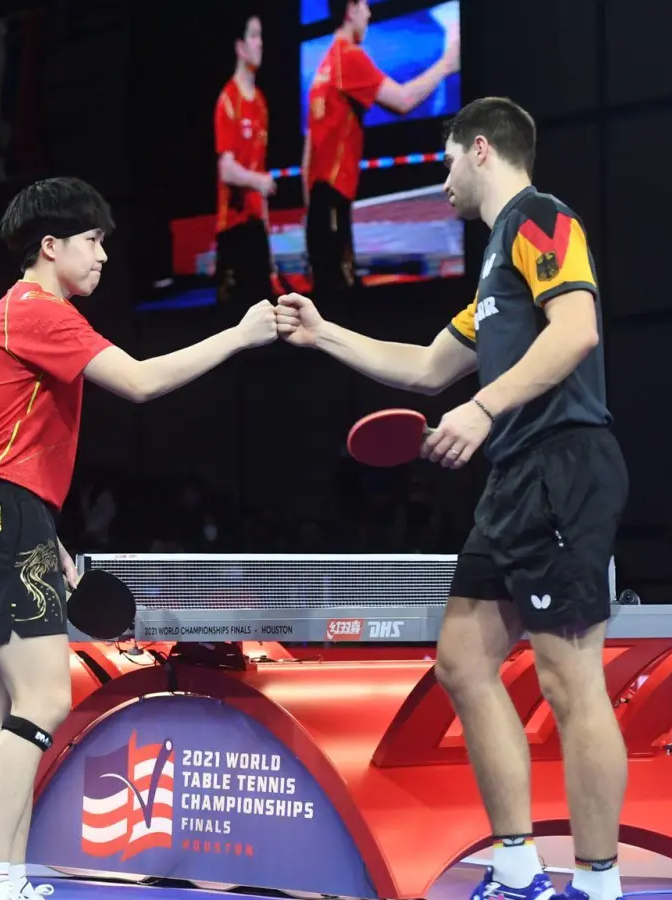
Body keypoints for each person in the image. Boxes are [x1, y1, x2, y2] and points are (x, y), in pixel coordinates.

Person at [276, 96, 628, 900]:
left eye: (442, 164)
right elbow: (429, 368)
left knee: (571, 679)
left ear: (479, 150)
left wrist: (483, 407)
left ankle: (600, 886)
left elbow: (576, 329)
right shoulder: (497, 266)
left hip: (562, 466)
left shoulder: (542, 219)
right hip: (513, 479)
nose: (439, 185)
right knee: (464, 662)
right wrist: (323, 332)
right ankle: (516, 870)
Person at [0, 176, 277, 900]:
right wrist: (241, 335)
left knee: (15, 712)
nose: (101, 256)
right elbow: (144, 382)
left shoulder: (9, 315)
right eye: (92, 241)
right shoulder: (39, 311)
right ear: (51, 246)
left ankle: (5, 875)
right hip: (1, 514)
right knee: (40, 704)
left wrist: (46, 540)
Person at [303, 0, 458, 298]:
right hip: (332, 202)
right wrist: (447, 65)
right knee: (340, 306)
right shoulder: (348, 57)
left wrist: (310, 213)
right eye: (364, 5)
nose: (369, 13)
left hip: (321, 206)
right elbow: (402, 100)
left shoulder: (325, 64)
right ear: (350, 10)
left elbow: (309, 150)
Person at [214, 13, 276, 310]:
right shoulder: (228, 100)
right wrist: (259, 181)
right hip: (233, 229)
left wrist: (266, 227)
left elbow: (258, 166)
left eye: (261, 35)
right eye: (253, 35)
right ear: (240, 46)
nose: (260, 43)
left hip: (256, 228)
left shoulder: (261, 103)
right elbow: (226, 168)